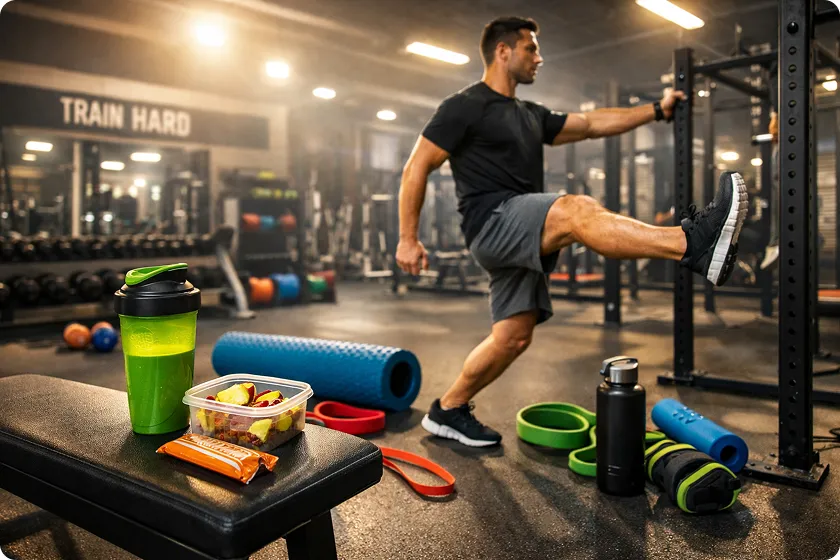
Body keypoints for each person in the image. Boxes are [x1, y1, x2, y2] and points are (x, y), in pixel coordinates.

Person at [395, 16, 749, 447]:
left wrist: (656, 110)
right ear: (503, 51)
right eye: (531, 48)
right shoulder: (465, 105)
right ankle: (691, 243)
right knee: (575, 211)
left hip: (517, 230)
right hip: (492, 221)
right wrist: (407, 237)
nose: (539, 58)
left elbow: (591, 123)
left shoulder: (529, 114)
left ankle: (447, 409)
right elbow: (417, 165)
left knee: (512, 336)